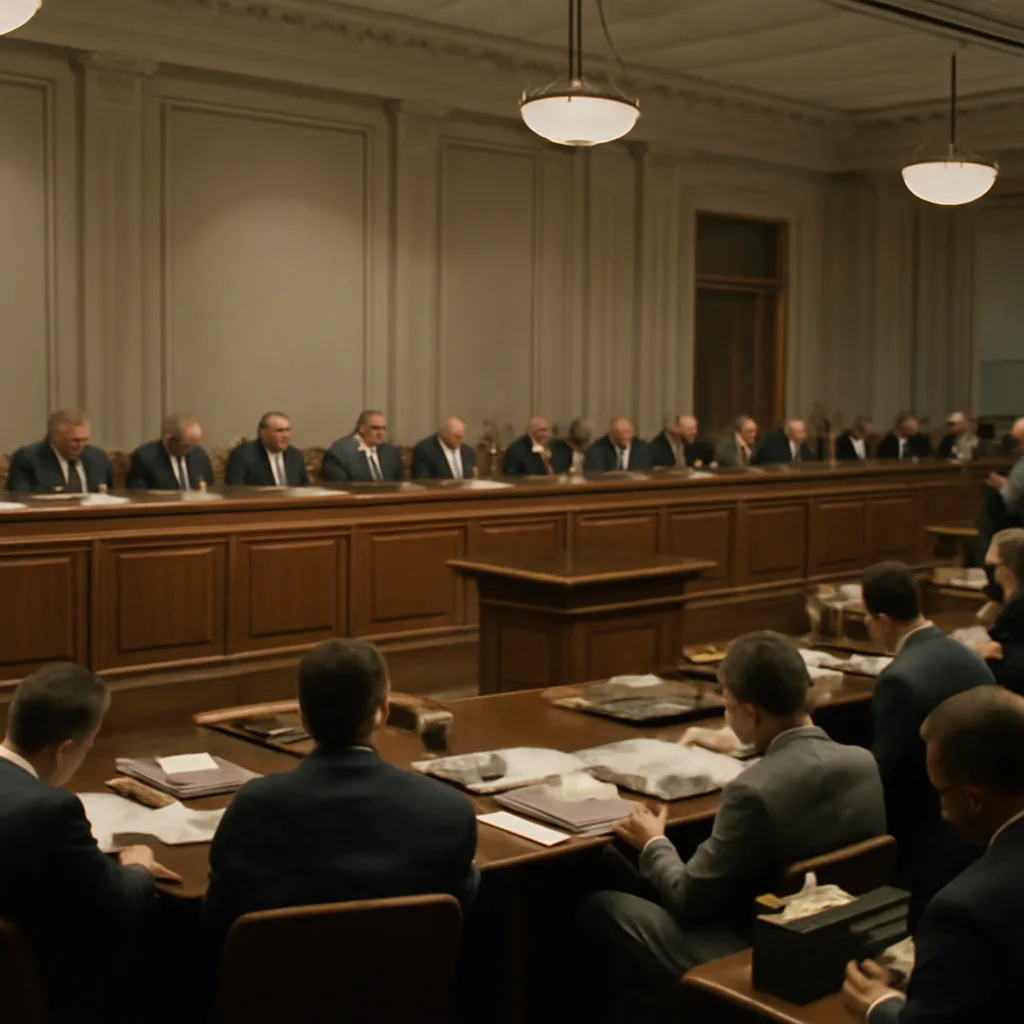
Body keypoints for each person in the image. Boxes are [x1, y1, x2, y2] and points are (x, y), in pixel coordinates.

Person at [579, 631, 884, 1012]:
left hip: (758, 953)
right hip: (841, 940)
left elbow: (687, 899)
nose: (726, 715)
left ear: (751, 713)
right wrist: (752, 744)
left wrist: (654, 843)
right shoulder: (863, 763)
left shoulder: (751, 792)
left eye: (728, 705)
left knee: (601, 904)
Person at [202, 639, 479, 945]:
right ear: (383, 712)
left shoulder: (253, 809)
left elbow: (218, 915)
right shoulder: (448, 812)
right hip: (405, 988)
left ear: (303, 718)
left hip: (279, 990)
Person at [0, 664, 177, 1021]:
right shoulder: (51, 811)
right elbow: (117, 906)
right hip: (43, 988)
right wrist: (138, 866)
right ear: (64, 750)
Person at [843, 686, 1024, 1023]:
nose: (942, 811)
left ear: (973, 799)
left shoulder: (966, 912)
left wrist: (881, 1005)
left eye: (940, 792)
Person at [861, 561, 994, 925]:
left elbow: (889, 777)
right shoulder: (965, 654)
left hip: (930, 845)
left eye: (867, 620)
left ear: (883, 620)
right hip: (984, 821)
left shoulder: (898, 680)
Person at [6, 409, 114, 493]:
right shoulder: (28, 459)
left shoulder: (98, 458)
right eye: (74, 440)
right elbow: (21, 500)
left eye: (84, 440)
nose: (80, 445)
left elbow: (110, 496)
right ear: (55, 437)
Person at [972, 528, 1024, 695]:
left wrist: (1000, 654)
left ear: (1005, 570)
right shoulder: (1010, 608)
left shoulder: (1016, 613)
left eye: (990, 566)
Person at [126, 413, 214, 490]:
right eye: (186, 446)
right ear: (168, 440)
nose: (191, 450)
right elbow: (138, 495)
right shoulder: (145, 457)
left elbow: (211, 490)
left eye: (193, 445)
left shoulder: (200, 456)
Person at [224, 411, 310, 487]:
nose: (286, 435)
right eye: (279, 431)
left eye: (287, 430)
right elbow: (234, 489)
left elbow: (305, 486)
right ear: (263, 433)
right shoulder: (243, 455)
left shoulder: (295, 455)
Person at [322, 410, 404, 482]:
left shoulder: (390, 451)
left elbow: (400, 483)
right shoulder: (340, 453)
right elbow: (337, 487)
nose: (381, 433)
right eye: (375, 428)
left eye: (383, 428)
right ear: (362, 428)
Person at [411, 415, 477, 480]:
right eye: (457, 437)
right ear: (443, 434)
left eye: (463, 435)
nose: (462, 440)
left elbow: (473, 478)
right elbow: (423, 481)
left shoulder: (468, 452)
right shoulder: (425, 450)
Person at [584, 417, 652, 472]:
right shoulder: (597, 450)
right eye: (622, 433)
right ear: (612, 434)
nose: (627, 436)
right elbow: (594, 476)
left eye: (629, 432)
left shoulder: (642, 449)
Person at [648, 414, 714, 469]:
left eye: (695, 428)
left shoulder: (697, 446)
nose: (694, 432)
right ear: (674, 429)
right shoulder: (655, 449)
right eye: (689, 429)